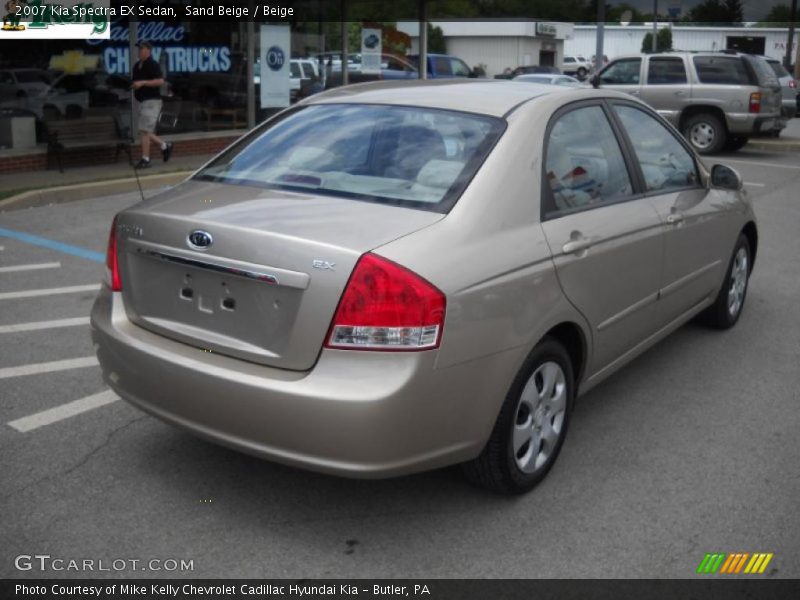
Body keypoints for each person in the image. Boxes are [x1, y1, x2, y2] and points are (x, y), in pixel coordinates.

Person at [131, 40, 172, 169]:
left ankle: (146, 159)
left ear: (148, 50)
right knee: (145, 131)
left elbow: (160, 81)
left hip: (152, 101)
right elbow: (136, 82)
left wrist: (143, 83)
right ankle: (164, 145)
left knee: (144, 131)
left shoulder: (152, 64)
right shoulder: (137, 66)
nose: (139, 51)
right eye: (138, 49)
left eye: (142, 49)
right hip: (142, 101)